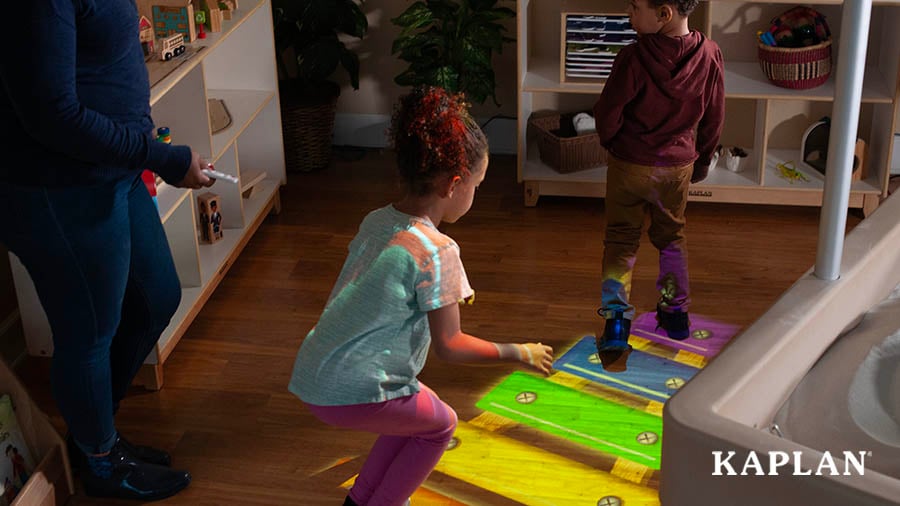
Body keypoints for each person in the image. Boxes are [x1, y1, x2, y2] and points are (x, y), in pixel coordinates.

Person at [288, 86, 554, 506]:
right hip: (353, 386)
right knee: (441, 425)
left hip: (316, 370)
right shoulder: (438, 250)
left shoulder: (377, 220)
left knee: (415, 421)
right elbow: (451, 346)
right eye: (478, 185)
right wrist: (517, 352)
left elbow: (384, 285)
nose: (476, 195)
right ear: (453, 184)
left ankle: (360, 500)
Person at [0, 1, 215, 500]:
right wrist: (161, 156)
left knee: (157, 296)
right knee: (89, 333)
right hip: (62, 188)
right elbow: (53, 113)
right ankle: (99, 461)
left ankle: (96, 435)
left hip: (113, 168)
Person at [592, 0, 725, 370]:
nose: (628, 14)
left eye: (635, 7)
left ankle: (617, 323)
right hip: (678, 165)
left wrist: (610, 140)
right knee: (671, 238)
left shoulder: (633, 57)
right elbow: (715, 116)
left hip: (629, 163)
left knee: (620, 240)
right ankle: (675, 315)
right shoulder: (711, 54)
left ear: (664, 14)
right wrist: (702, 159)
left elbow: (608, 111)